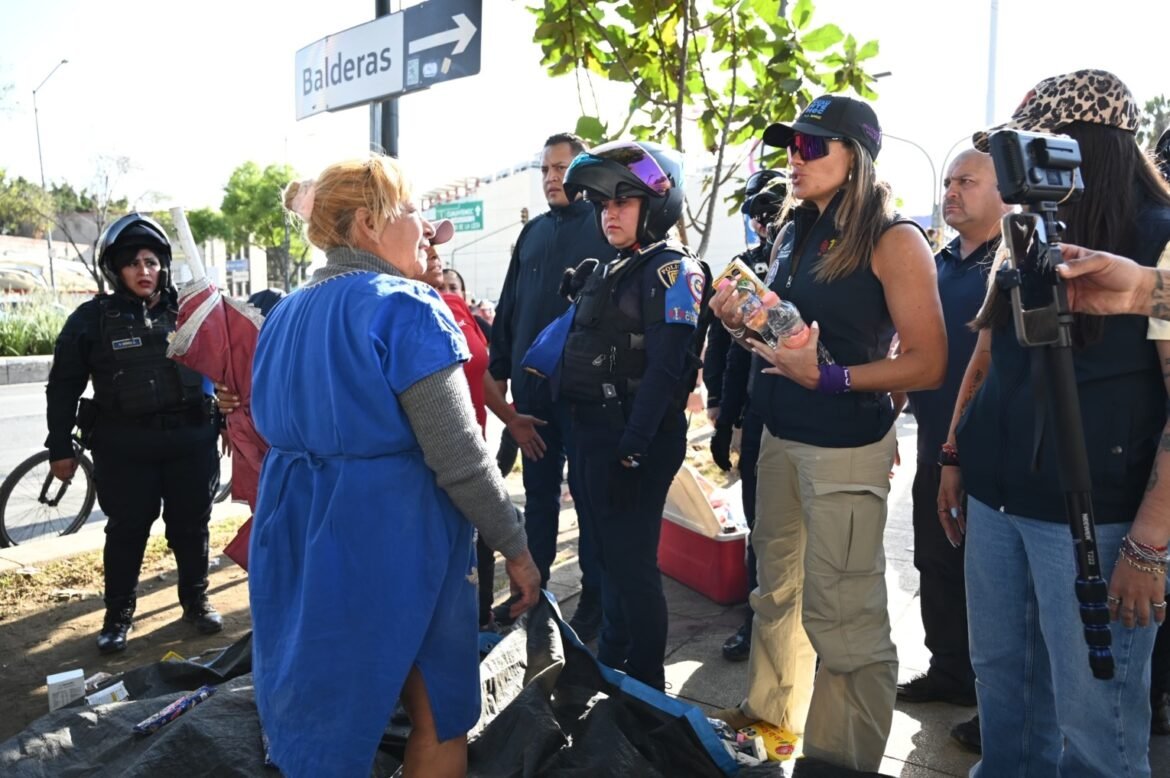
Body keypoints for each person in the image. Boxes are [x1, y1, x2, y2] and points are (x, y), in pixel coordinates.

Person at [247, 155, 541, 778]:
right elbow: (459, 455)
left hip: (297, 529)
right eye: (412, 209)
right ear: (368, 223)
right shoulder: (407, 306)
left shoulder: (285, 314)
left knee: (319, 706)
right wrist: (515, 547)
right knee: (438, 707)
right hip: (393, 535)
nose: (425, 224)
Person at [938, 69, 1170, 777]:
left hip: (1100, 519)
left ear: (1080, 147)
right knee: (1005, 684)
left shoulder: (1156, 241)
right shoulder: (1027, 233)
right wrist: (954, 454)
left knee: (1096, 722)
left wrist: (1150, 544)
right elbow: (987, 354)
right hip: (998, 498)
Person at [709, 95, 946, 773]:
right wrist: (736, 321)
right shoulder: (792, 231)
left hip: (843, 446)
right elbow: (786, 334)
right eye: (791, 145)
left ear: (857, 159)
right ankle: (770, 728)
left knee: (845, 619)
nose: (796, 156)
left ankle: (839, 762)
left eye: (813, 146)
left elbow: (928, 364)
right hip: (779, 437)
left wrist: (830, 379)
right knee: (775, 595)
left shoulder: (895, 238)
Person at [557, 139, 707, 691]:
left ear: (658, 206)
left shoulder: (672, 271)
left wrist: (634, 443)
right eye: (603, 204)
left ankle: (646, 689)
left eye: (625, 201)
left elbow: (668, 368)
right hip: (596, 435)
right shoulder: (617, 266)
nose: (610, 212)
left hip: (634, 439)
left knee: (633, 566)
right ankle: (614, 669)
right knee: (607, 562)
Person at [45, 212, 223, 654]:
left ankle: (196, 602)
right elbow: (63, 386)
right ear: (116, 269)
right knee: (126, 531)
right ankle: (118, 615)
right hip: (125, 447)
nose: (145, 271)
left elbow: (229, 366)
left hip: (190, 441)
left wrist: (231, 404)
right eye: (134, 263)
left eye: (152, 261)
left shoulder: (193, 311)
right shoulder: (90, 320)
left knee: (190, 526)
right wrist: (59, 445)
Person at [894, 150, 1009, 739]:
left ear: (1003, 190)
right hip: (930, 444)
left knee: (988, 581)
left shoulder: (1013, 262)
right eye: (949, 182)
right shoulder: (936, 263)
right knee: (933, 561)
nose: (952, 191)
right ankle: (948, 671)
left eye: (967, 181)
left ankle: (999, 709)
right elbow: (906, 353)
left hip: (989, 453)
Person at [489, 132, 614, 641]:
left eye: (560, 168)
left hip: (584, 394)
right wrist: (501, 378)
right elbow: (508, 310)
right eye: (544, 169)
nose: (551, 178)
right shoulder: (532, 233)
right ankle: (531, 593)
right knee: (538, 498)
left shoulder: (605, 226)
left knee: (588, 499)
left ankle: (595, 602)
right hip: (533, 397)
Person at [422, 241, 547, 630]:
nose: (433, 248)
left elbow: (481, 373)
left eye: (436, 242)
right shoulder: (398, 312)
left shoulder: (455, 306)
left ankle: (480, 623)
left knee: (478, 545)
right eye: (423, 239)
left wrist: (509, 418)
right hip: (427, 467)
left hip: (469, 449)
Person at [712, 168, 787, 663]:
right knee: (759, 523)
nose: (766, 220)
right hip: (759, 412)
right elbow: (730, 352)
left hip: (817, 416)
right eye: (759, 211)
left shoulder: (808, 261)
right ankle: (757, 619)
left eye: (774, 209)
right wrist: (723, 418)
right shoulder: (743, 270)